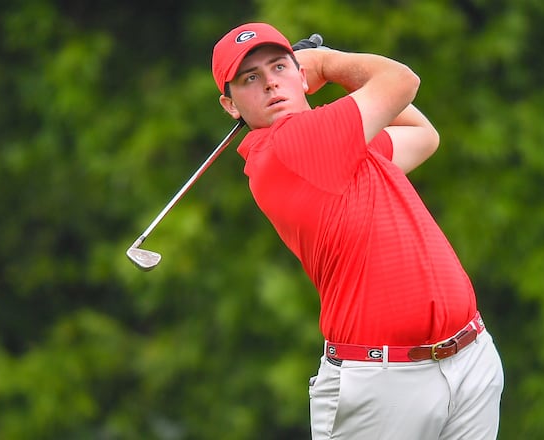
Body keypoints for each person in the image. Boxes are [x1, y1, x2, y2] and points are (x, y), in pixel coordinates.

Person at [211, 22, 504, 439]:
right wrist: (328, 63)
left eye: (279, 67)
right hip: (382, 385)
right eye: (250, 79)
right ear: (231, 105)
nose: (271, 84)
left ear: (298, 76)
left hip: (469, 359)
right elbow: (402, 81)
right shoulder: (290, 146)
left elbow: (423, 136)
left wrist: (324, 71)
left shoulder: (342, 146)